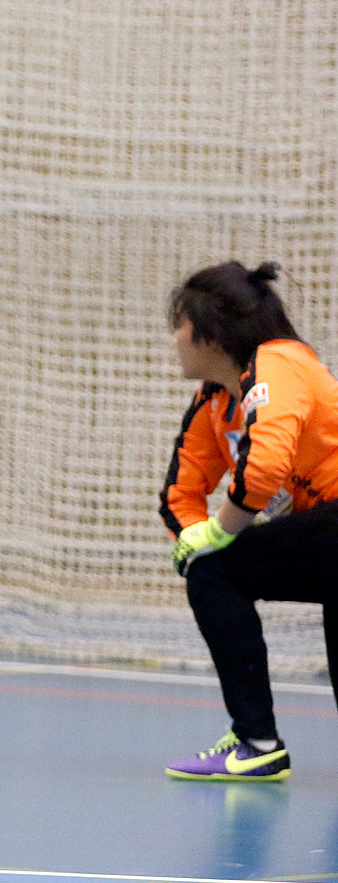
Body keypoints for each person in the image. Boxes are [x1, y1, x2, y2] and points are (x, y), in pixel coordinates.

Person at [158, 260, 338, 781]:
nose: (175, 338)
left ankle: (257, 741)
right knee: (211, 564)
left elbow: (263, 469)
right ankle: (257, 741)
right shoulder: (216, 401)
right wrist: (192, 535)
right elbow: (180, 491)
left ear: (209, 334)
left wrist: (216, 537)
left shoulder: (279, 362)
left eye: (181, 325)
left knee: (217, 570)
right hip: (326, 534)